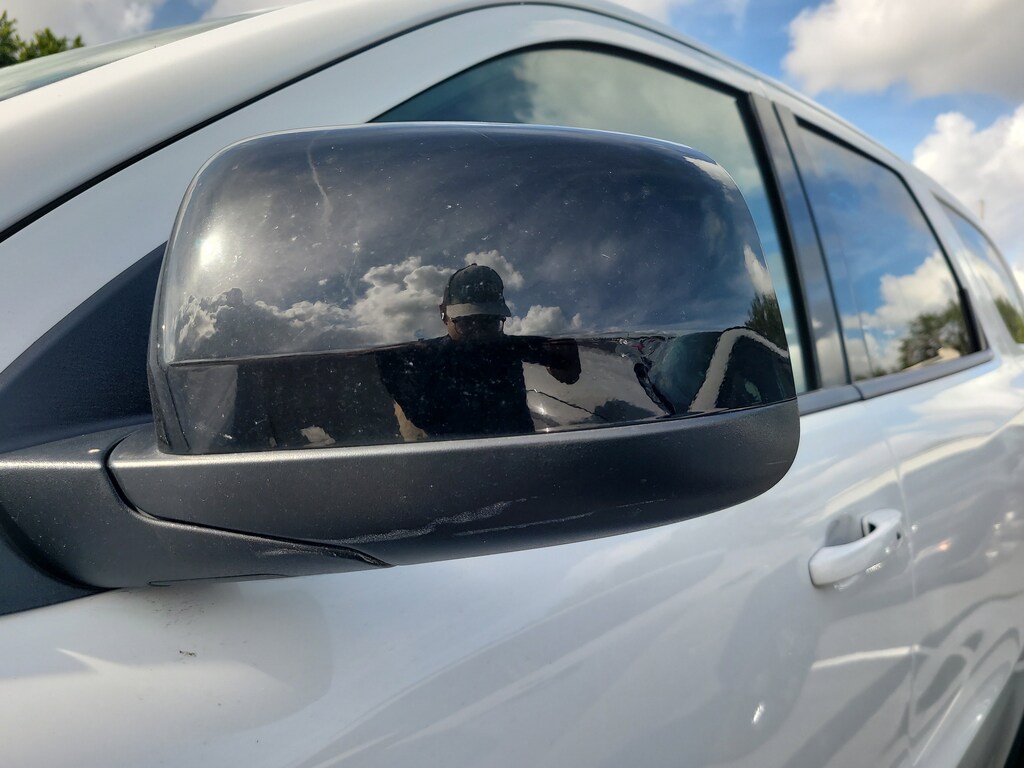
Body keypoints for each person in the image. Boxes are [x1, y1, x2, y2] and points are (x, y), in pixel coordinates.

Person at [377, 264, 580, 441]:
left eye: (489, 322)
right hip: (453, 460)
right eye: (467, 322)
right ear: (443, 313)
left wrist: (564, 360)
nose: (479, 334)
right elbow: (389, 364)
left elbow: (568, 374)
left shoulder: (508, 347)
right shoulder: (421, 355)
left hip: (520, 452)